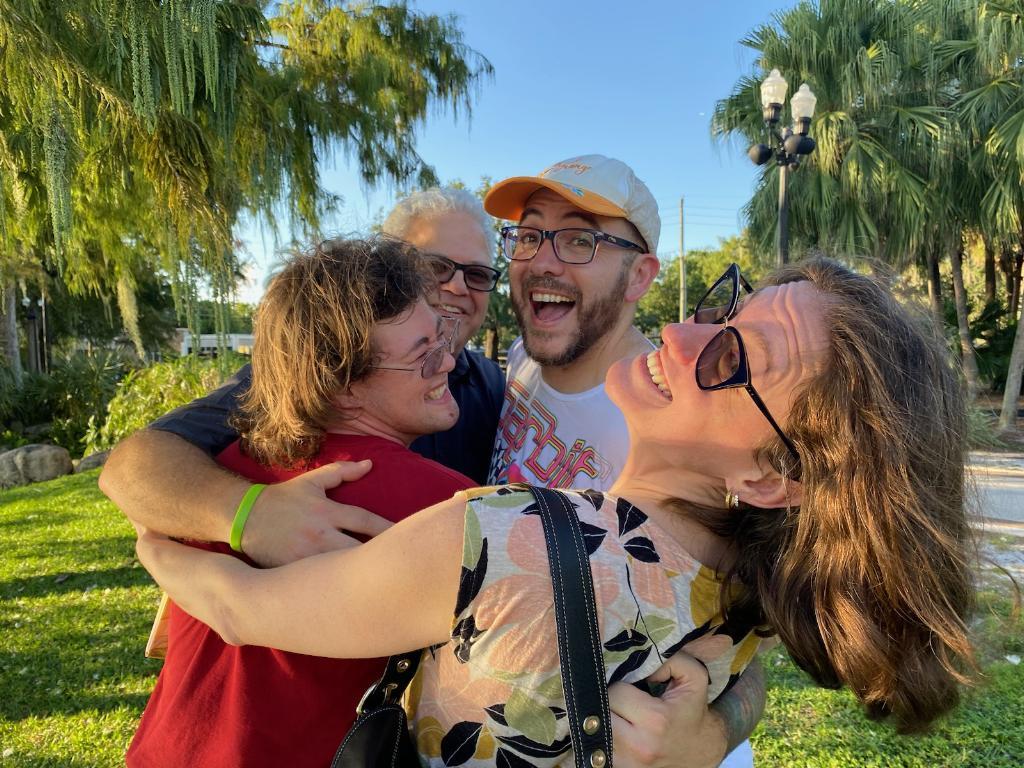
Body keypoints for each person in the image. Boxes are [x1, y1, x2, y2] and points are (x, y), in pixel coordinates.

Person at [135, 258, 977, 767]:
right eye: (721, 310)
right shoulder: (752, 581)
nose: (679, 333)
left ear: (769, 477)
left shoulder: (496, 541)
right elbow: (744, 669)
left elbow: (243, 613)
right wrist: (721, 725)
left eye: (730, 356)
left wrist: (160, 546)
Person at [126, 237, 478, 767]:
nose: (449, 361)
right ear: (343, 389)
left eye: (443, 337)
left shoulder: (220, 472)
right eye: (422, 354)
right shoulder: (442, 506)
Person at [482, 155, 762, 766]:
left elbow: (746, 643)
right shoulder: (520, 365)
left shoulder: (669, 417)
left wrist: (710, 738)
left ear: (639, 277)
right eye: (529, 235)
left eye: (579, 239)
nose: (542, 259)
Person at [99, 187, 504, 569]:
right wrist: (252, 515)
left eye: (478, 275)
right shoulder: (310, 374)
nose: (456, 286)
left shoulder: (493, 386)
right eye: (434, 267)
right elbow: (131, 468)